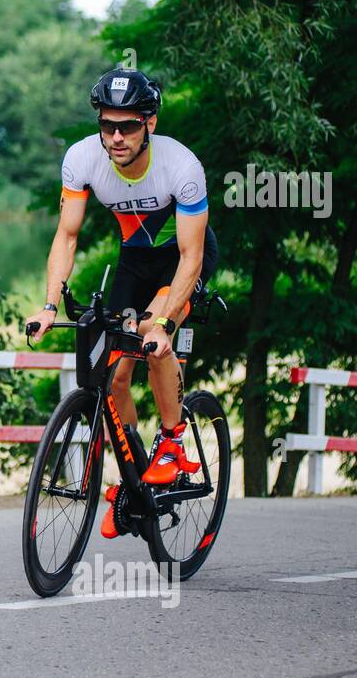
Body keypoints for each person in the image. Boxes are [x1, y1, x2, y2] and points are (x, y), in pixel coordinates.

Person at [26, 68, 218, 538]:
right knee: (112, 375)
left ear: (149, 123)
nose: (115, 136)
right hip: (135, 260)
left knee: (151, 336)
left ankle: (173, 442)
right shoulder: (81, 158)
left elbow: (191, 256)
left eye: (128, 126)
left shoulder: (182, 166)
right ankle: (132, 479)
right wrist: (49, 306)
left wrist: (165, 322)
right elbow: (66, 235)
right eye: (107, 125)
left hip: (182, 260)